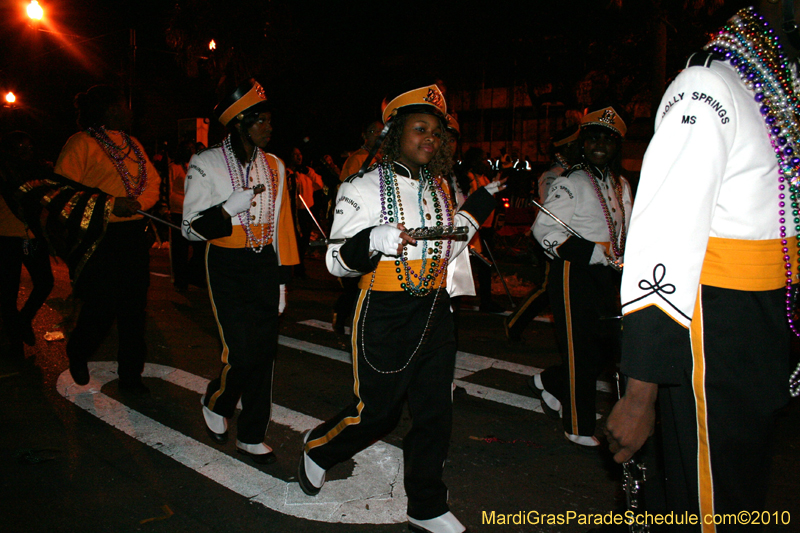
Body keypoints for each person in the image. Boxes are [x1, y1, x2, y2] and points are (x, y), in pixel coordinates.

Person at [605, 4, 800, 527]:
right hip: (714, 325)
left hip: (761, 322)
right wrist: (641, 388)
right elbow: (665, 231)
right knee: (713, 506)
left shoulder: (775, 98)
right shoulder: (707, 83)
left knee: (741, 488)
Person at [297, 82, 503, 533]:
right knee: (378, 413)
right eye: (420, 128)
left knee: (434, 412)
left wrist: (478, 206)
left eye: (437, 132)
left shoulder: (443, 187)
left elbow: (446, 249)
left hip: (434, 309)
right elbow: (335, 261)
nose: (430, 138)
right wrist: (372, 239)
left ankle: (425, 505)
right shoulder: (364, 187)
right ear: (394, 133)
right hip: (384, 311)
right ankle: (318, 449)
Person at [182, 79, 299, 464]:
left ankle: (251, 434)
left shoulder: (276, 166)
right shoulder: (206, 163)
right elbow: (190, 228)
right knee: (242, 350)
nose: (269, 127)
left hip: (264, 261)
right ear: (240, 123)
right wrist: (227, 210)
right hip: (226, 263)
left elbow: (282, 225)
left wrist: (282, 279)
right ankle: (218, 400)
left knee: (265, 353)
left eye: (269, 120)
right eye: (261, 121)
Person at [531, 106, 631, 447]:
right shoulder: (571, 182)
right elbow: (544, 229)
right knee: (579, 349)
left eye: (608, 139)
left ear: (617, 146)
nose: (600, 144)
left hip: (610, 274)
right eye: (594, 138)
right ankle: (577, 424)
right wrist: (591, 252)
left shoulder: (621, 184)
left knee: (606, 346)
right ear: (583, 143)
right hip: (575, 272)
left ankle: (551, 382)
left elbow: (627, 228)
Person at [54, 84, 161, 394]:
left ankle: (131, 377)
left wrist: (140, 203)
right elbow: (64, 194)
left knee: (133, 310)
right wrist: (112, 204)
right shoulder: (81, 144)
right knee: (101, 308)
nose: (129, 111)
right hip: (100, 238)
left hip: (133, 238)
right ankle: (78, 349)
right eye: (123, 105)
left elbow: (152, 182)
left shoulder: (133, 144)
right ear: (109, 109)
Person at [504, 125, 580, 341]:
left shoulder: (575, 173)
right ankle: (514, 323)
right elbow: (549, 209)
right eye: (573, 145)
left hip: (572, 239)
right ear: (561, 150)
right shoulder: (552, 175)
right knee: (548, 288)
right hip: (554, 239)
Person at [0, 131, 54, 360]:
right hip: (6, 240)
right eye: (22, 146)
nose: (27, 150)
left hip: (29, 238)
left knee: (44, 282)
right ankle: (15, 345)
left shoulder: (33, 171)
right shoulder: (4, 171)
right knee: (7, 294)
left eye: (30, 146)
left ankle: (22, 323)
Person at [457, 147, 504, 314]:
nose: (485, 162)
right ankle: (459, 299)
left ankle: (486, 300)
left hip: (486, 227)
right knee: (471, 266)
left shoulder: (484, 177)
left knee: (486, 266)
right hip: (475, 229)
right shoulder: (468, 178)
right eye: (482, 159)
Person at [168, 139, 204, 291]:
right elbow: (169, 190)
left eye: (192, 148)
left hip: (195, 212)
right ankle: (180, 280)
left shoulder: (197, 167)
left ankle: (194, 275)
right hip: (179, 212)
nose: (190, 151)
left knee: (200, 247)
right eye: (187, 148)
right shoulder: (174, 167)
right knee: (180, 250)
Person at [286, 146, 325, 278]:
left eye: (300, 154)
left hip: (307, 211)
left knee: (304, 241)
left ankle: (300, 265)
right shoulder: (288, 173)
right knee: (295, 240)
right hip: (294, 213)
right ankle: (295, 267)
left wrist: (308, 172)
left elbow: (319, 185)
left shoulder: (307, 172)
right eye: (295, 154)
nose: (298, 157)